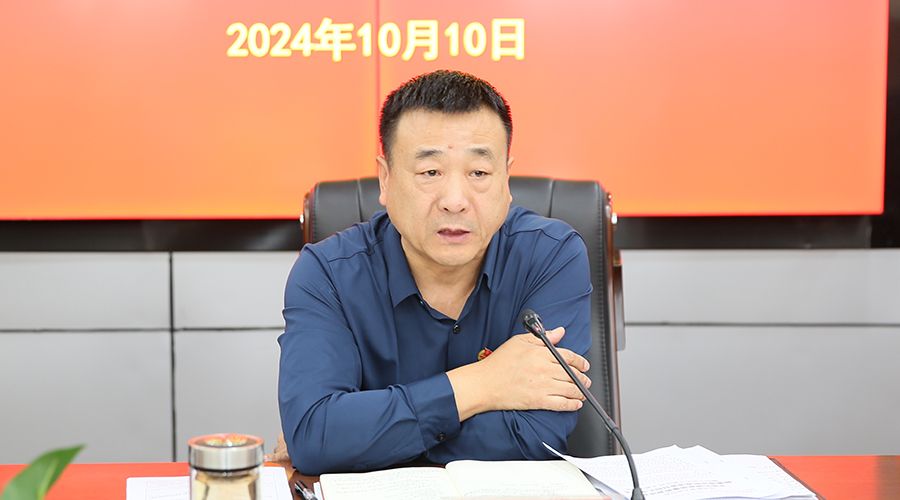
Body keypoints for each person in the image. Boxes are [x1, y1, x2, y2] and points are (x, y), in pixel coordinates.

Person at [278, 70, 593, 475]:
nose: (455, 200)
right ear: (386, 179)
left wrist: (362, 438)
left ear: (506, 179)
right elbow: (316, 437)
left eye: (479, 173)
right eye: (430, 172)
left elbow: (536, 436)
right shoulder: (327, 274)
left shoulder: (550, 256)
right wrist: (482, 384)